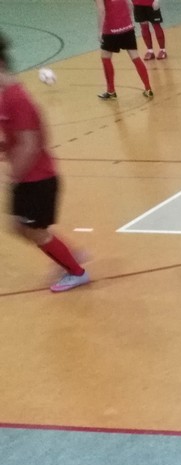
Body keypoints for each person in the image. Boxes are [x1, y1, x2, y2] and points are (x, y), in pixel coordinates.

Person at [0, 31, 90, 292]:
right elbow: (20, 137)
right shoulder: (6, 96)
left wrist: (14, 176)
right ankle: (70, 255)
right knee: (20, 227)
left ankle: (77, 272)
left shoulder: (17, 98)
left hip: (37, 179)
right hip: (30, 178)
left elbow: (30, 144)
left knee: (33, 231)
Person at [95, 0, 153, 99]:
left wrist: (100, 31)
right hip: (127, 27)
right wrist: (129, 20)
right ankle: (148, 89)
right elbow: (130, 4)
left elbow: (101, 10)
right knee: (135, 57)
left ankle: (111, 91)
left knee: (105, 57)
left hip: (111, 29)